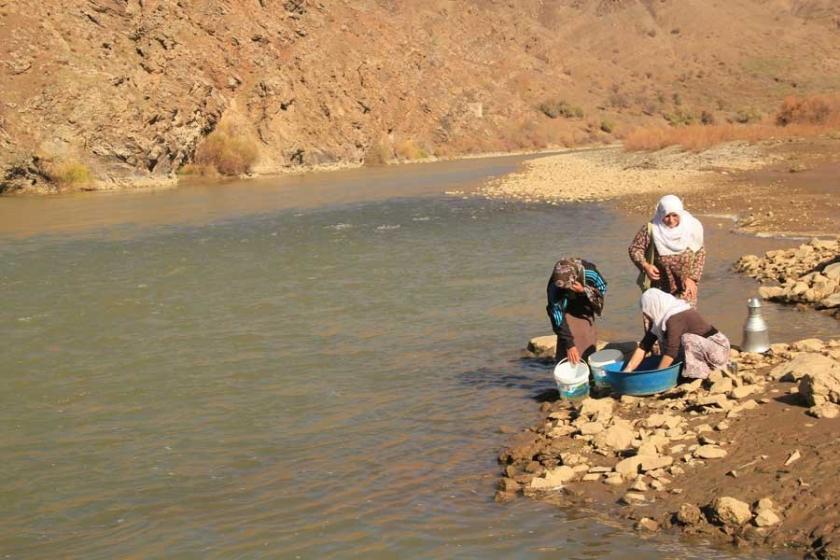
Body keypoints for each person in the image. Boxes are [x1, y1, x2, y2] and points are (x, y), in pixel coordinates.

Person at [623, 288, 730, 379]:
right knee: (668, 343)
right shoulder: (662, 318)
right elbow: (644, 345)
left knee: (686, 339)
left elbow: (671, 352)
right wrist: (628, 370)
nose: (647, 316)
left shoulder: (675, 316)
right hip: (706, 348)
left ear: (654, 306)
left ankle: (701, 373)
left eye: (647, 312)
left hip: (719, 349)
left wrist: (657, 376)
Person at [629, 194, 705, 306]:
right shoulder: (652, 229)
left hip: (685, 289)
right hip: (659, 290)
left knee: (685, 320)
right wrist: (645, 265)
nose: (671, 220)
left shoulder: (692, 227)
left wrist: (692, 279)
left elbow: (700, 252)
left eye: (675, 215)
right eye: (667, 216)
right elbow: (635, 249)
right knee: (659, 322)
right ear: (660, 215)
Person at [546, 258, 607, 365]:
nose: (567, 289)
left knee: (586, 340)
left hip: (585, 300)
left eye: (568, 287)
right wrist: (570, 345)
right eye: (564, 288)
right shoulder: (554, 288)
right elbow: (557, 316)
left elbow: (602, 288)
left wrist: (584, 291)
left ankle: (589, 372)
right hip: (565, 305)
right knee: (565, 347)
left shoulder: (589, 272)